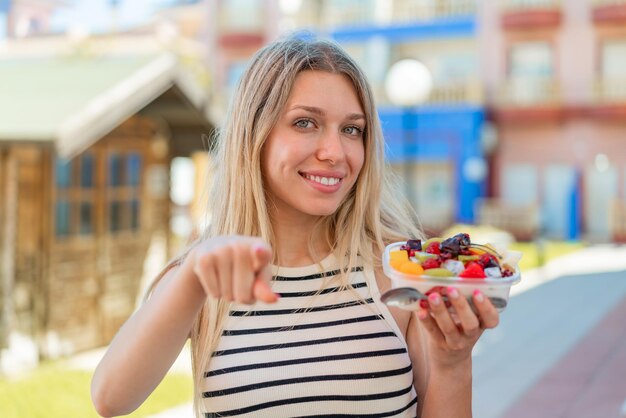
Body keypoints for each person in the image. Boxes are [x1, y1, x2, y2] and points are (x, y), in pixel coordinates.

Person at [91, 35, 500, 418]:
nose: (335, 152)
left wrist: (453, 362)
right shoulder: (206, 275)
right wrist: (195, 273)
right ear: (256, 134)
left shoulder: (395, 268)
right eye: (305, 122)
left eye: (351, 130)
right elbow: (111, 399)